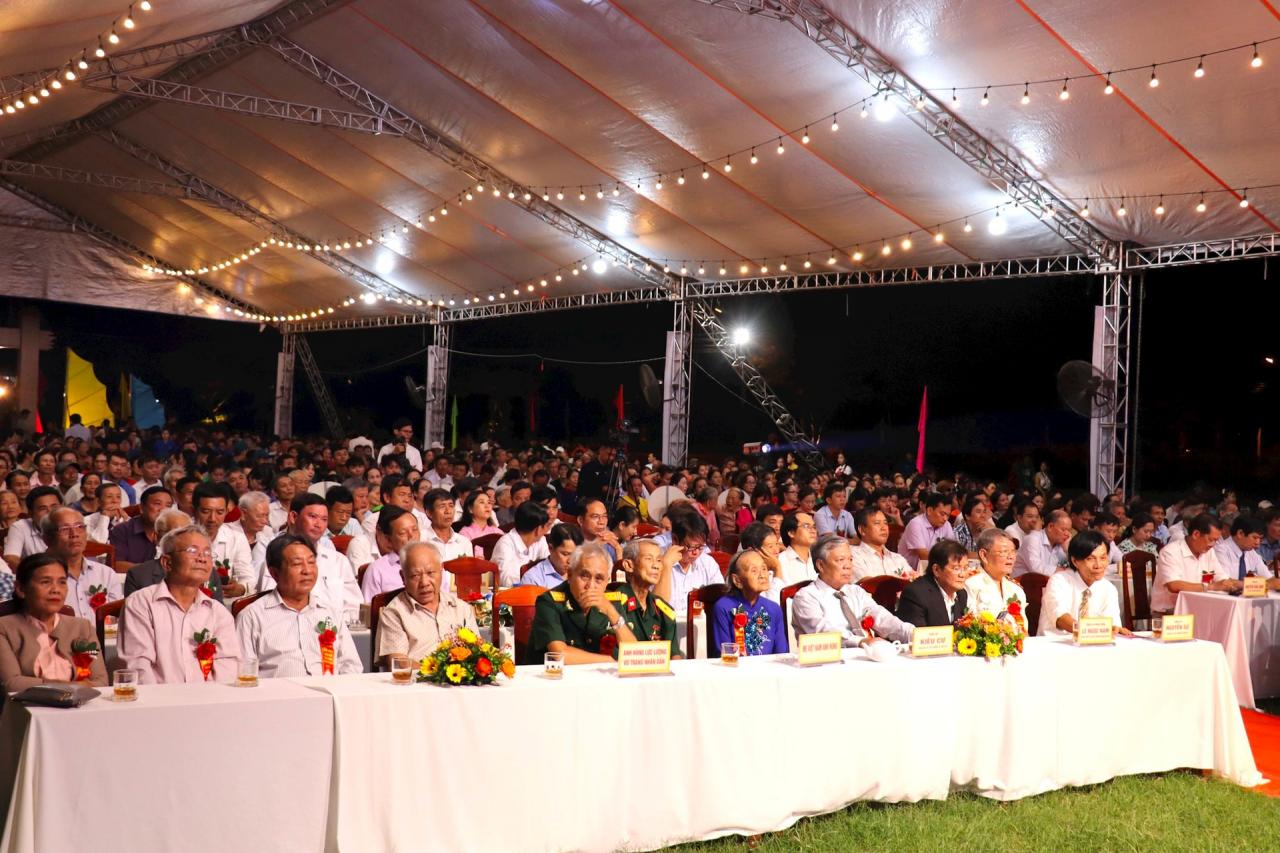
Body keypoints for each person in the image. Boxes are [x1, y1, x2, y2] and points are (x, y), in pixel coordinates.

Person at [118, 525, 241, 684]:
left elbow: (228, 667)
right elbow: (138, 666)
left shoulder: (218, 613)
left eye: (207, 553)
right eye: (192, 551)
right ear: (167, 562)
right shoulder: (141, 603)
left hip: (208, 702)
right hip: (156, 703)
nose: (202, 558)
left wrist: (209, 701)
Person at [235, 535, 362, 677]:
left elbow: (351, 665)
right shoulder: (252, 617)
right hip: (279, 696)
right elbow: (243, 673)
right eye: (297, 564)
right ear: (274, 573)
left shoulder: (330, 613)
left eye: (311, 562)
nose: (307, 571)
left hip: (331, 694)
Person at [0, 553, 107, 692]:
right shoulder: (4, 628)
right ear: (21, 589)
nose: (56, 590)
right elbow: (12, 683)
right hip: (27, 710)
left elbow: (101, 681)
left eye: (62, 582)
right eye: (45, 582)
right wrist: (72, 686)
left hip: (80, 708)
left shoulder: (82, 627)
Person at [791, 533, 915, 647]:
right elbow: (823, 632)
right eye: (840, 560)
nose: (848, 565)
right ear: (820, 565)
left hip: (864, 656)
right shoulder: (806, 597)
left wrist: (911, 634)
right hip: (827, 664)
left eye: (850, 559)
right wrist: (861, 642)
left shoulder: (855, 591)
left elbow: (881, 617)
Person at [527, 542, 636, 665]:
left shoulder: (612, 602)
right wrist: (608, 661)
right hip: (557, 678)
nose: (590, 586)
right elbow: (560, 654)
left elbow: (632, 653)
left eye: (599, 579)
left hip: (601, 678)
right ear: (570, 575)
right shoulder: (549, 602)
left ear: (608, 581)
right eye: (584, 576)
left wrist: (611, 613)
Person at [260, 494, 361, 624]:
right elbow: (269, 605)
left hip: (333, 632)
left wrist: (331, 625)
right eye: (313, 517)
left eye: (324, 519)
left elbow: (355, 606)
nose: (319, 524)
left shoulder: (338, 560)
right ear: (293, 517)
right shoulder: (276, 558)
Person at [375, 542, 479, 668]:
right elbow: (398, 662)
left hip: (460, 682)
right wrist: (438, 673)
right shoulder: (394, 613)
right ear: (403, 577)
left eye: (430, 573)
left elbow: (477, 652)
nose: (424, 582)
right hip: (415, 684)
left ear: (441, 571)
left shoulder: (461, 608)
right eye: (415, 575)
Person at [1039, 529, 1130, 636]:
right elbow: (1060, 617)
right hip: (1057, 645)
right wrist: (1087, 631)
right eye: (1090, 559)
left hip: (1093, 646)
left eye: (1103, 558)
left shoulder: (1108, 588)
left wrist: (1115, 629)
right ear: (1075, 561)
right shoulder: (1059, 581)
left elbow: (1111, 623)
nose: (1098, 565)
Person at [42, 507, 121, 620]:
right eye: (65, 529)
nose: (74, 534)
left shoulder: (106, 574)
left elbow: (115, 619)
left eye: (80, 527)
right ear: (47, 539)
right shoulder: (39, 577)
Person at [1151, 514, 1237, 614]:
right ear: (1196, 534)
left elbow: (1221, 579)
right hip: (1171, 613)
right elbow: (1174, 585)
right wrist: (1211, 587)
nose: (1213, 545)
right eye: (1211, 539)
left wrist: (1245, 585)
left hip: (1200, 609)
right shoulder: (1170, 552)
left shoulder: (1209, 552)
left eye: (1216, 541)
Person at [711, 549, 787, 656]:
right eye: (754, 571)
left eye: (764, 569)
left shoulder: (774, 609)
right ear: (737, 580)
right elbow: (724, 653)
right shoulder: (723, 607)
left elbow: (781, 653)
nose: (762, 575)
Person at [614, 538, 680, 657]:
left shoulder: (664, 610)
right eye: (649, 559)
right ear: (628, 565)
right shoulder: (614, 604)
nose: (656, 566)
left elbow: (674, 656)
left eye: (659, 560)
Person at [660, 507, 724, 618]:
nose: (696, 553)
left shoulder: (707, 563)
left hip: (700, 627)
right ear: (675, 540)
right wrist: (666, 566)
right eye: (691, 547)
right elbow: (655, 606)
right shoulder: (659, 560)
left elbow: (721, 598)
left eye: (700, 547)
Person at [192, 482, 253, 597]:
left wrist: (240, 588)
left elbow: (248, 577)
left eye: (219, 512)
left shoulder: (236, 537)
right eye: (205, 511)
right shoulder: (180, 536)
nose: (212, 519)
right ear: (194, 510)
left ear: (227, 511)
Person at [896, 540, 970, 628]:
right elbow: (918, 637)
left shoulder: (961, 594)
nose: (962, 575)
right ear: (936, 570)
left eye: (965, 568)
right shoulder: (916, 594)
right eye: (956, 568)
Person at [965, 529, 1027, 621]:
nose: (1010, 556)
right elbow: (968, 623)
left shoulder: (1016, 589)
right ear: (984, 555)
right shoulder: (969, 583)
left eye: (1013, 551)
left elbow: (1023, 629)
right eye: (1004, 551)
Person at [361, 506, 421, 601]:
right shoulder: (376, 570)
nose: (411, 536)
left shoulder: (432, 561)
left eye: (415, 529)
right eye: (403, 533)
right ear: (389, 540)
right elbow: (369, 609)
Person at [108, 485, 174, 571]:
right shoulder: (123, 530)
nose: (163, 509)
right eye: (158, 504)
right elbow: (116, 565)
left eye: (168, 506)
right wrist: (152, 570)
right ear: (142, 508)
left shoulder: (173, 532)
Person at [493, 501, 552, 587]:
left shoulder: (541, 540)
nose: (547, 530)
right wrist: (533, 579)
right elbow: (504, 580)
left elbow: (548, 567)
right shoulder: (505, 543)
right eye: (547, 526)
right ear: (539, 529)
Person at [3, 486, 60, 570]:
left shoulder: (74, 525)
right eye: (43, 508)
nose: (50, 512)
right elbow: (11, 559)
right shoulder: (20, 527)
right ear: (30, 513)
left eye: (54, 507)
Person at [1213, 516, 1279, 589]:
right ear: (1240, 533)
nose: (1257, 543)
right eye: (1255, 537)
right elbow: (1225, 582)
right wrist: (1263, 585)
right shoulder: (1221, 550)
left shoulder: (1251, 553)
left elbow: (1270, 578)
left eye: (1260, 539)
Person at [850, 507, 915, 580]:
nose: (884, 528)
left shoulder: (898, 558)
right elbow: (867, 585)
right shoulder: (853, 556)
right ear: (862, 530)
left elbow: (913, 580)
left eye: (885, 523)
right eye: (877, 523)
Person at [420, 488, 471, 576]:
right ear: (429, 513)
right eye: (442, 506)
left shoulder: (464, 542)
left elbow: (469, 575)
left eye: (451, 506)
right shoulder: (420, 540)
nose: (448, 511)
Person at [228, 491, 276, 586]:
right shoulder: (228, 533)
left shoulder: (268, 533)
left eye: (266, 515)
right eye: (259, 516)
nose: (265, 521)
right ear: (243, 513)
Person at [519, 522, 582, 588]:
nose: (571, 561)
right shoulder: (533, 579)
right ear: (550, 548)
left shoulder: (583, 572)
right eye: (565, 554)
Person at [896, 492, 954, 563]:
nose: (945, 519)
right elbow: (923, 555)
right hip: (909, 570)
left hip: (934, 568)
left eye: (948, 515)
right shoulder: (916, 524)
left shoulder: (946, 525)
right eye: (942, 514)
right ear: (929, 510)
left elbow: (952, 549)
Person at [1012, 509, 1072, 578]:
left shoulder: (1062, 544)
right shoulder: (1033, 539)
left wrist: (1067, 550)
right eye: (1063, 530)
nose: (1067, 534)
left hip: (1047, 583)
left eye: (1069, 530)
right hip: (1021, 583)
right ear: (1050, 526)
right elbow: (1035, 568)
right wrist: (1063, 571)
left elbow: (1071, 568)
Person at [777, 511, 818, 584]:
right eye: (806, 526)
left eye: (814, 527)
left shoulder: (820, 559)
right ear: (791, 533)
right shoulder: (779, 562)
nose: (813, 531)